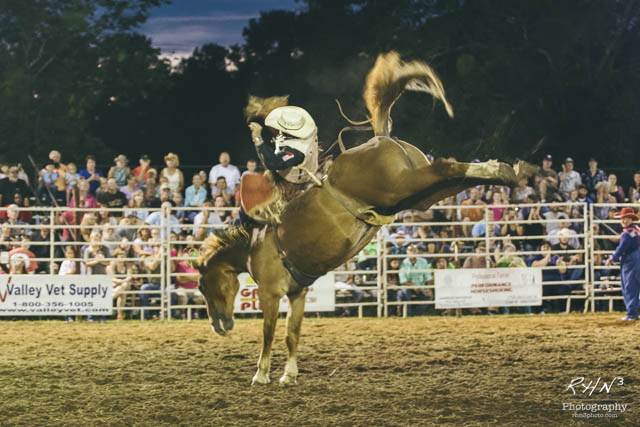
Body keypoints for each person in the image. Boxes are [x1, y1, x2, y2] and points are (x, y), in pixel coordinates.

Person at [605, 207, 640, 321]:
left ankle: (632, 314)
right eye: (622, 218)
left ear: (630, 219)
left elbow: (621, 248)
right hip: (637, 258)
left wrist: (612, 258)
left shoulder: (627, 233)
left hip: (630, 261)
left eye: (626, 218)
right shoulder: (636, 230)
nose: (623, 221)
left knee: (629, 287)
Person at [397, 245, 432, 316]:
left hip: (421, 286)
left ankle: (415, 314)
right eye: (410, 251)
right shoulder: (403, 263)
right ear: (407, 253)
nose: (412, 253)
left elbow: (428, 276)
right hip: (408, 287)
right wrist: (414, 286)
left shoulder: (423, 261)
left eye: (414, 251)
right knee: (405, 292)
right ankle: (408, 314)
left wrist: (429, 288)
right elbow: (403, 280)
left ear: (417, 252)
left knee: (429, 296)